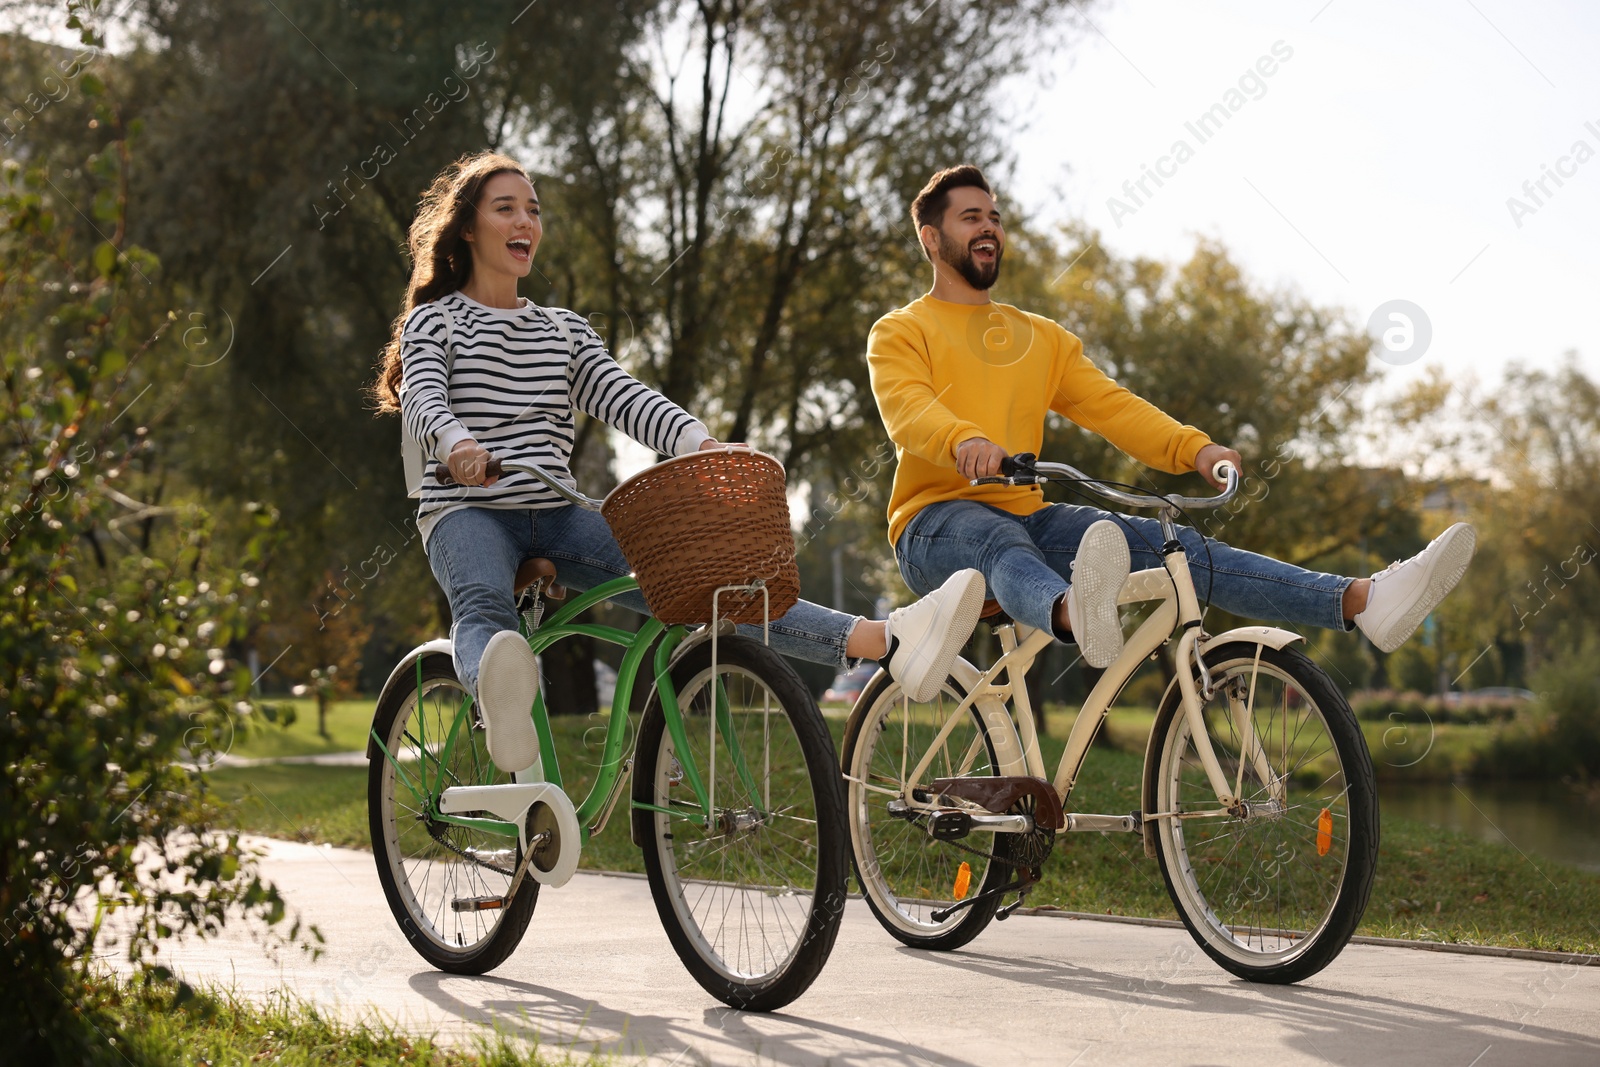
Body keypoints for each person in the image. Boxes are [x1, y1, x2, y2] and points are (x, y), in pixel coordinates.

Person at [371, 152, 985, 773]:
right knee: (482, 606)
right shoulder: (435, 321)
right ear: (469, 228)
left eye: (533, 209)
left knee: (708, 583)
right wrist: (458, 448)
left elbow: (625, 397)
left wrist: (699, 444)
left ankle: (884, 641)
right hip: (467, 510)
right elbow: (423, 397)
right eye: (505, 208)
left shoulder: (563, 330)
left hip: (554, 511)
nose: (524, 220)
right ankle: (499, 694)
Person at [867, 164, 1476, 670]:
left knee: (1174, 546)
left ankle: (1361, 601)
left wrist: (1195, 450)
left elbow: (1114, 408)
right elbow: (908, 409)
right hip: (933, 528)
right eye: (971, 217)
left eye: (995, 218)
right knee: (997, 537)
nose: (989, 229)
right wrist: (963, 439)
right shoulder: (900, 331)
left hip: (1032, 520)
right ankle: (1074, 613)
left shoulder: (1041, 339)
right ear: (931, 238)